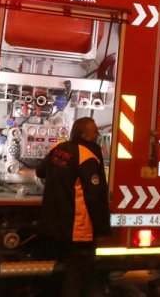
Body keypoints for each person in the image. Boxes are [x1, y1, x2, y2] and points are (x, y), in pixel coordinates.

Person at [36, 116, 111, 296]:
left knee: (62, 271)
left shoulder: (59, 149)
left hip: (55, 224)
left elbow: (40, 171)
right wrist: (102, 229)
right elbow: (95, 197)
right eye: (94, 131)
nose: (98, 134)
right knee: (77, 276)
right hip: (78, 228)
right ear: (84, 134)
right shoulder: (87, 157)